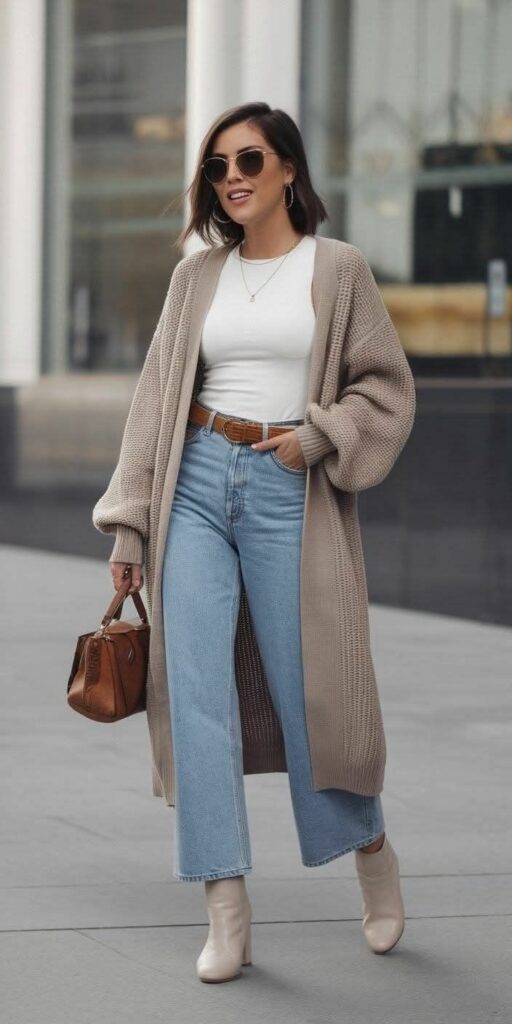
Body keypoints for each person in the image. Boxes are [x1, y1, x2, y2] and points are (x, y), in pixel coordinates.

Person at [92, 101, 416, 984]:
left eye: (249, 160)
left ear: (287, 172)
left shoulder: (337, 270)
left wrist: (318, 438)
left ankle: (372, 850)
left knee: (316, 688)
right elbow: (156, 399)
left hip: (288, 490)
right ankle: (225, 908)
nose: (231, 176)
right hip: (194, 479)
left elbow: (386, 390)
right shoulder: (197, 277)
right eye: (217, 167)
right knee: (193, 691)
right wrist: (129, 524)